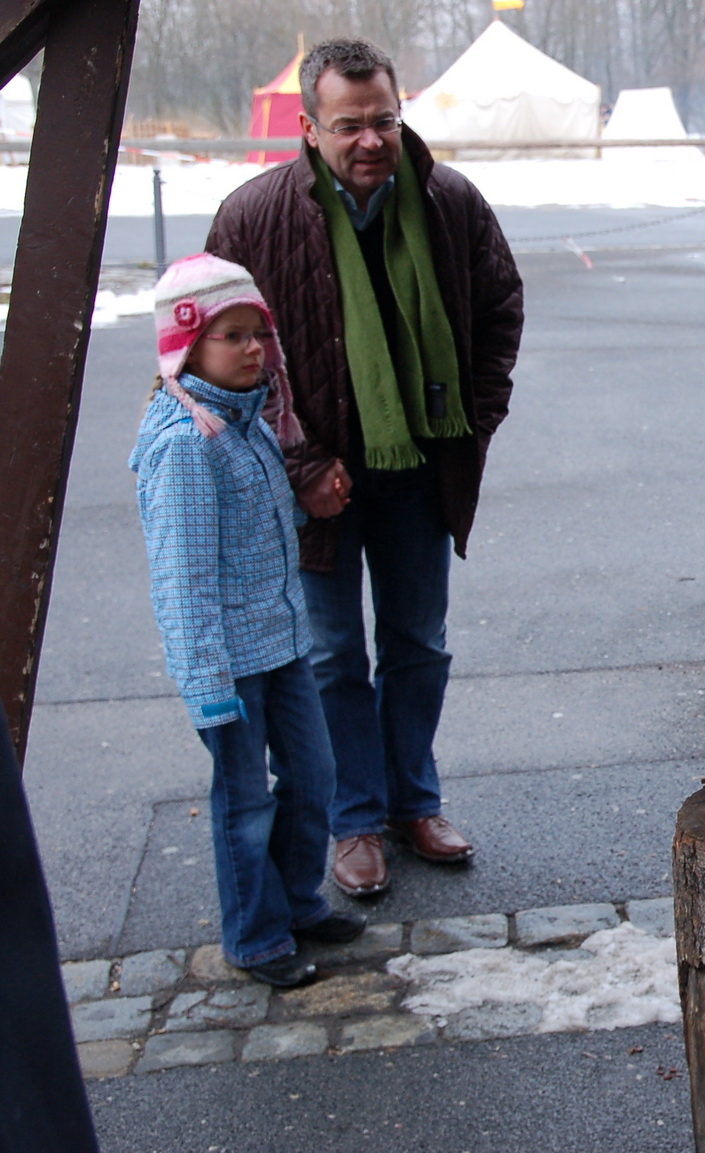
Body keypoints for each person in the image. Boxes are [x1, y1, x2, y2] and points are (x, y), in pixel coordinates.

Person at [207, 38, 524, 899]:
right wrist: (303, 461)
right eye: (349, 125)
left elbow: (501, 304)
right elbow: (223, 358)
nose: (371, 140)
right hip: (307, 487)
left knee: (418, 643)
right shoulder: (252, 218)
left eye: (383, 120)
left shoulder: (449, 202)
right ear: (309, 128)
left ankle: (414, 800)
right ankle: (355, 816)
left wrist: (476, 418)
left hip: (422, 466)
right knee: (334, 654)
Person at [131, 254, 367, 988]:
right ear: (186, 346)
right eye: (231, 336)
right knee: (245, 802)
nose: (253, 350)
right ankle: (257, 935)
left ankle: (298, 902)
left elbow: (260, 525)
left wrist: (311, 504)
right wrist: (206, 683)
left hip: (282, 640)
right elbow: (184, 577)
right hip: (229, 662)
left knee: (314, 775)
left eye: (258, 333)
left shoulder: (248, 419)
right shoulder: (186, 446)